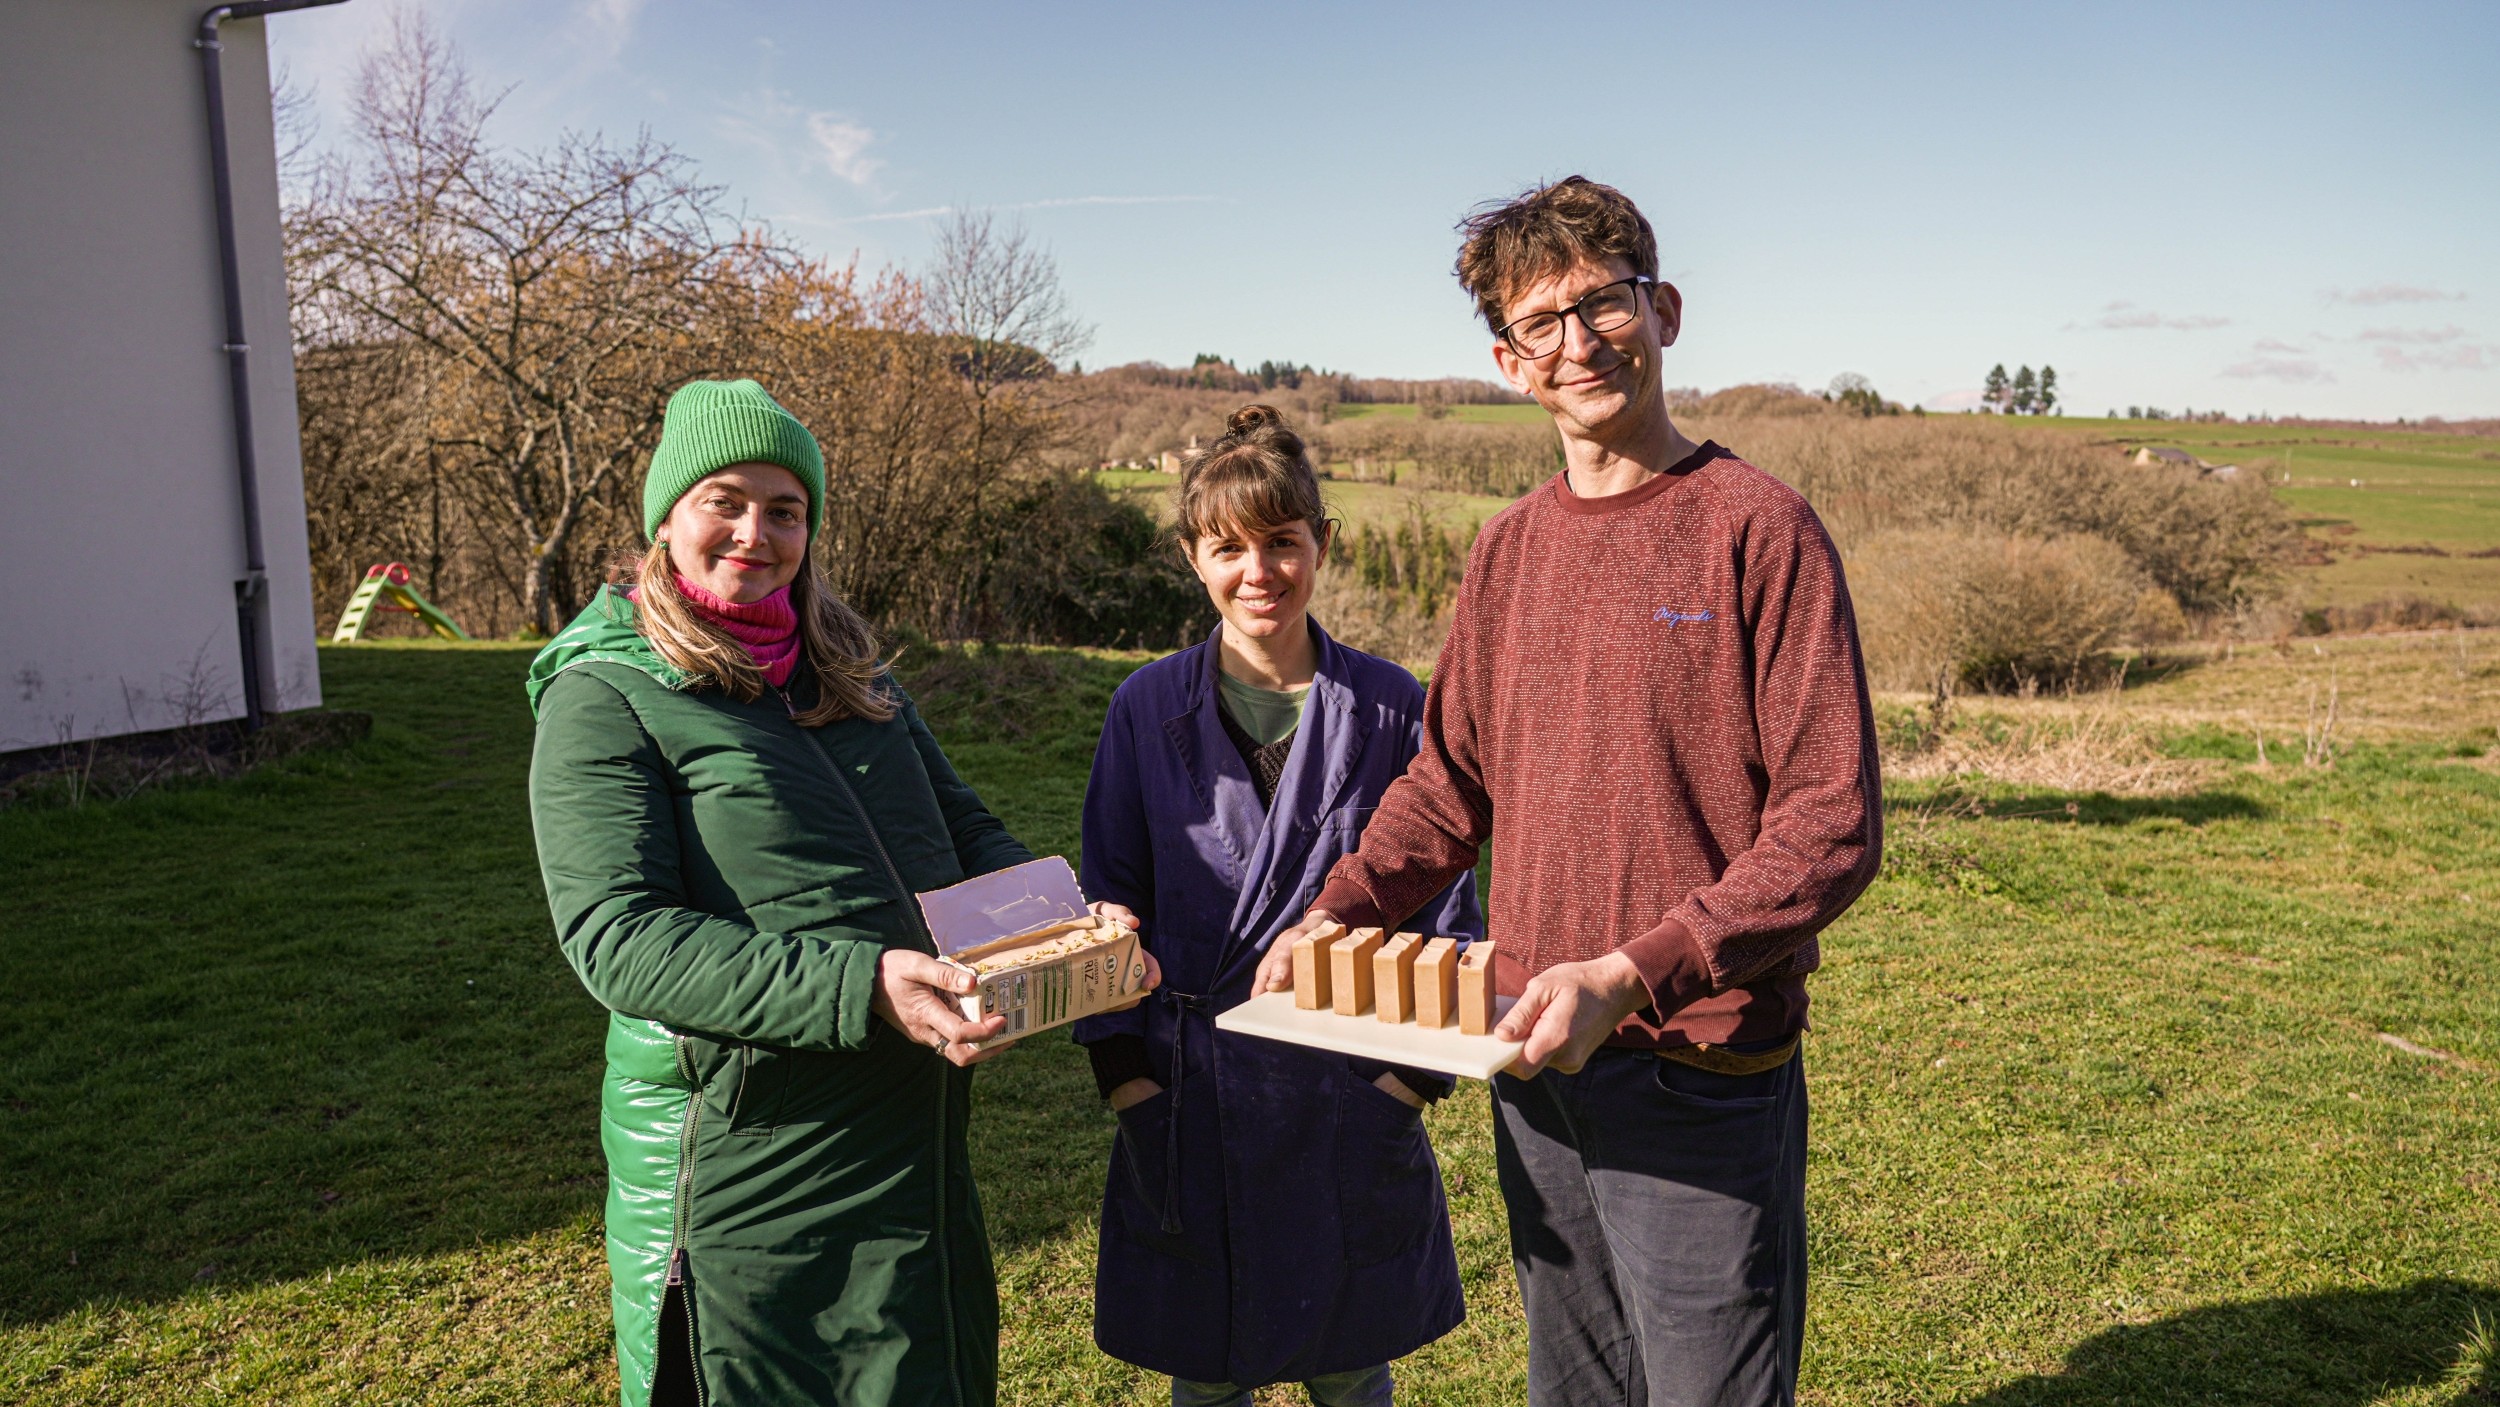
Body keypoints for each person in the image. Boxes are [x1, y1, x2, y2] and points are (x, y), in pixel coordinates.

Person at [1258, 178, 1882, 1407]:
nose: (1580, 343)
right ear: (1507, 360)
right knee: (1577, 1389)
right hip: (1532, 1054)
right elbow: (1448, 781)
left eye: (1604, 304)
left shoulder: (1757, 529)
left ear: (1665, 311)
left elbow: (1830, 822)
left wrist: (1637, 970)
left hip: (1696, 1067)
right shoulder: (1507, 549)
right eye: (1541, 323)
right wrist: (1344, 909)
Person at [525, 378, 1147, 1407]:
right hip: (747, 1165)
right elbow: (618, 938)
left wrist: (1066, 922)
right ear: (665, 518)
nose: (754, 533)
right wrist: (864, 984)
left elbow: (963, 832)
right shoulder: (605, 697)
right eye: (723, 500)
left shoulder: (851, 677)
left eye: (785, 509)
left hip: (912, 1147)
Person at [1073, 405, 1484, 1407]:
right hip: (1188, 1100)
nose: (1257, 572)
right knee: (1204, 1377)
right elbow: (1105, 905)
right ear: (1190, 556)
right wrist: (1131, 1085)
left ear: (1322, 546)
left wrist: (1402, 1092)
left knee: (1350, 1370)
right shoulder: (1142, 709)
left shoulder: (1393, 706)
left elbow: (1447, 912)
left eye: (1281, 543)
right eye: (1228, 548)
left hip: (1344, 1096)